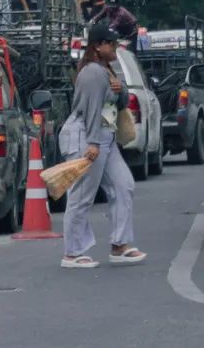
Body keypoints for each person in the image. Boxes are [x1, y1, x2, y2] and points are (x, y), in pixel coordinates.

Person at [59, 22, 146, 270]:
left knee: (123, 185)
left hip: (104, 136)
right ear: (98, 46)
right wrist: (93, 143)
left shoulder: (106, 70)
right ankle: (73, 253)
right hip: (87, 137)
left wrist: (120, 90)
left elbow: (119, 104)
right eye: (112, 44)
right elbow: (90, 110)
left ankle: (120, 245)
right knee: (82, 194)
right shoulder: (91, 73)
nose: (116, 48)